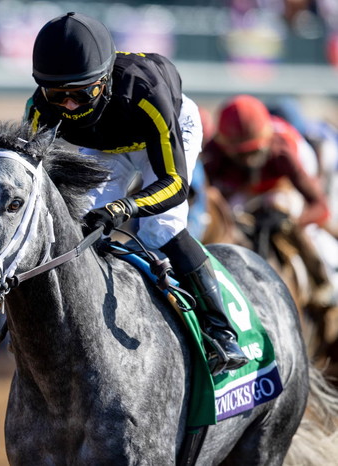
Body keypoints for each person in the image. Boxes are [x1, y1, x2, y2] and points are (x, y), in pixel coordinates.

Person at [24, 12, 248, 375]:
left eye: (81, 93)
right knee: (78, 227)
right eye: (57, 95)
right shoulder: (40, 109)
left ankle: (220, 330)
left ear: (104, 81)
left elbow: (175, 184)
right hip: (104, 147)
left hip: (161, 135)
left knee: (160, 228)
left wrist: (123, 207)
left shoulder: (146, 92)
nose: (69, 106)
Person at [203, 94, 335, 308]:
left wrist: (293, 223)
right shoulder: (214, 153)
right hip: (242, 191)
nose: (249, 161)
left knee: (284, 214)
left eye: (253, 152)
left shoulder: (282, 151)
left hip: (282, 185)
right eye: (241, 155)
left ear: (266, 140)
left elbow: (320, 206)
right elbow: (207, 198)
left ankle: (323, 285)